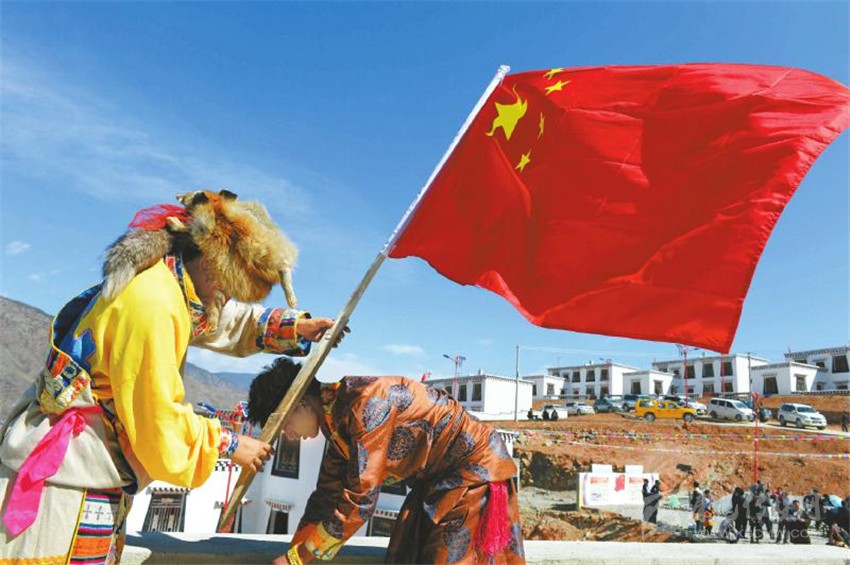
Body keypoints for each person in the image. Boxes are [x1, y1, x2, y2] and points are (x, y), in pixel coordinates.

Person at [0, 191, 345, 563]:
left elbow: (222, 320)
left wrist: (295, 328)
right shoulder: (153, 303)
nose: (226, 300)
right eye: (227, 289)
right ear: (212, 263)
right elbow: (157, 418)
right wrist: (229, 444)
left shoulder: (170, 285)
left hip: (88, 473)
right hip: (63, 483)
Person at [248, 358, 525, 565]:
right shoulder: (337, 424)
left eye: (284, 425)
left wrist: (297, 559)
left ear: (301, 404)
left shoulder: (365, 405)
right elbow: (325, 497)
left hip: (473, 473)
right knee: (404, 555)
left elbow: (361, 500)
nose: (289, 435)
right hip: (436, 483)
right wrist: (293, 556)